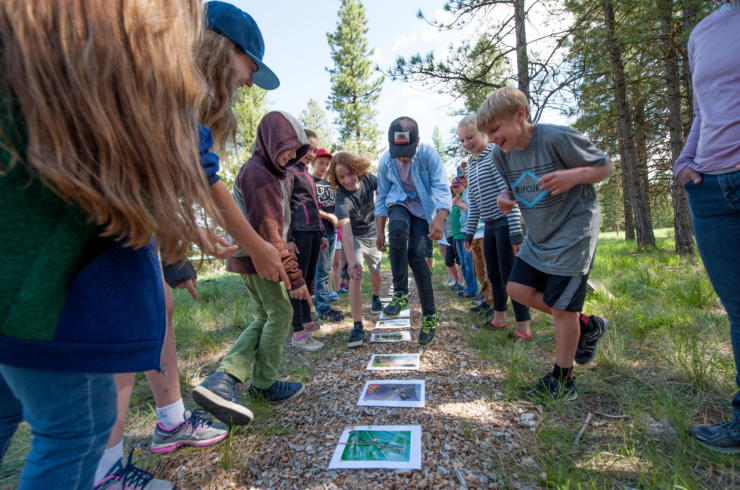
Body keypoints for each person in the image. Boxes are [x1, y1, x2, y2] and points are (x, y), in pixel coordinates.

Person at [0, 1, 228, 487]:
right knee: (77, 430)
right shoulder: (118, 69)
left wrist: (176, 242)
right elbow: (189, 163)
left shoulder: (33, 56)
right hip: (59, 302)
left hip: (24, 295)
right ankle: (119, 461)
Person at [94, 2, 292, 486]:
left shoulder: (180, 92)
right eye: (250, 68)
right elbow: (205, 179)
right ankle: (102, 470)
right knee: (126, 329)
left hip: (131, 223)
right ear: (223, 49)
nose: (248, 83)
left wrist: (185, 232)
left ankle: (168, 424)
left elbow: (175, 176)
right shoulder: (170, 81)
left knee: (154, 309)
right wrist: (260, 249)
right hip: (103, 226)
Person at [478, 87, 614, 400]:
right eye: (488, 133)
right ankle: (588, 326)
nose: (493, 138)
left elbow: (606, 166)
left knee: (563, 307)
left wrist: (575, 175)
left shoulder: (556, 138)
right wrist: (505, 199)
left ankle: (563, 382)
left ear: (520, 116)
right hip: (538, 235)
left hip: (573, 232)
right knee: (517, 290)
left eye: (496, 130)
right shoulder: (501, 154)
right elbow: (515, 188)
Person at [192, 111, 312, 425]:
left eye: (295, 149)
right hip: (261, 258)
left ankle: (235, 379)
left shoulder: (269, 171)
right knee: (281, 314)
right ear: (270, 141)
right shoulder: (258, 173)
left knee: (266, 314)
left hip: (257, 256)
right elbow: (269, 230)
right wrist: (295, 276)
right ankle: (247, 381)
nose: (290, 154)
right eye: (285, 146)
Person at [675, 0, 740, 454]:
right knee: (738, 310)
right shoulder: (704, 31)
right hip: (711, 186)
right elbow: (705, 109)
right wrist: (684, 161)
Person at [375, 116, 452, 345]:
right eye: (398, 152)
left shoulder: (428, 154)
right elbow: (381, 198)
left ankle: (430, 314)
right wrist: (380, 231)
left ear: (417, 141)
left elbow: (441, 186)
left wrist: (439, 218)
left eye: (408, 151)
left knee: (417, 256)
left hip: (423, 210)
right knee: (397, 230)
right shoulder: (386, 161)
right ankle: (400, 292)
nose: (403, 157)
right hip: (398, 202)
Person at [459, 115, 531, 338]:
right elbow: (474, 202)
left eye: (469, 137)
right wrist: (470, 231)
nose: (466, 143)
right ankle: (499, 319)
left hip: (506, 224)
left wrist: (516, 230)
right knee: (493, 275)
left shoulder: (495, 155)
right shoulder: (470, 166)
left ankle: (523, 328)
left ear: (483, 133)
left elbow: (509, 194)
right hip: (488, 226)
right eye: (461, 140)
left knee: (511, 276)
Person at [330, 151, 383, 347]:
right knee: (356, 274)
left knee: (376, 272)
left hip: (373, 233)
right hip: (356, 238)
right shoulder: (342, 199)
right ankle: (358, 325)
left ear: (358, 169)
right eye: (341, 177)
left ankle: (376, 297)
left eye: (350, 174)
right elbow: (346, 231)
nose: (347, 180)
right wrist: (351, 261)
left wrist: (382, 228)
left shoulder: (369, 178)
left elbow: (385, 191)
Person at [285, 129, 327, 351]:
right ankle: (297, 329)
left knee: (309, 276)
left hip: (312, 230)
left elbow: (314, 207)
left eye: (314, 149)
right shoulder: (289, 172)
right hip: (298, 232)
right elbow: (286, 208)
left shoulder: (308, 175)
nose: (311, 153)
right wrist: (288, 237)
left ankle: (307, 317)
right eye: (308, 149)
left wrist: (321, 234)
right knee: (297, 279)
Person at [312, 148, 346, 322]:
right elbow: (308, 207)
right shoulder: (310, 181)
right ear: (313, 163)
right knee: (322, 270)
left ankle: (322, 303)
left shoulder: (330, 184)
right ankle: (322, 306)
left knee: (326, 269)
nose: (324, 167)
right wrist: (328, 216)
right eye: (321, 163)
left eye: (327, 164)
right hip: (319, 231)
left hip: (333, 231)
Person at [451, 176, 478, 298]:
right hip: (458, 233)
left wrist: (461, 204)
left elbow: (471, 210)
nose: (455, 189)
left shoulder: (468, 195)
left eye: (457, 186)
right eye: (454, 187)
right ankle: (469, 288)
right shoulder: (459, 198)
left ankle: (473, 289)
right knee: (463, 263)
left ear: (464, 184)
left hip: (467, 232)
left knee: (469, 262)